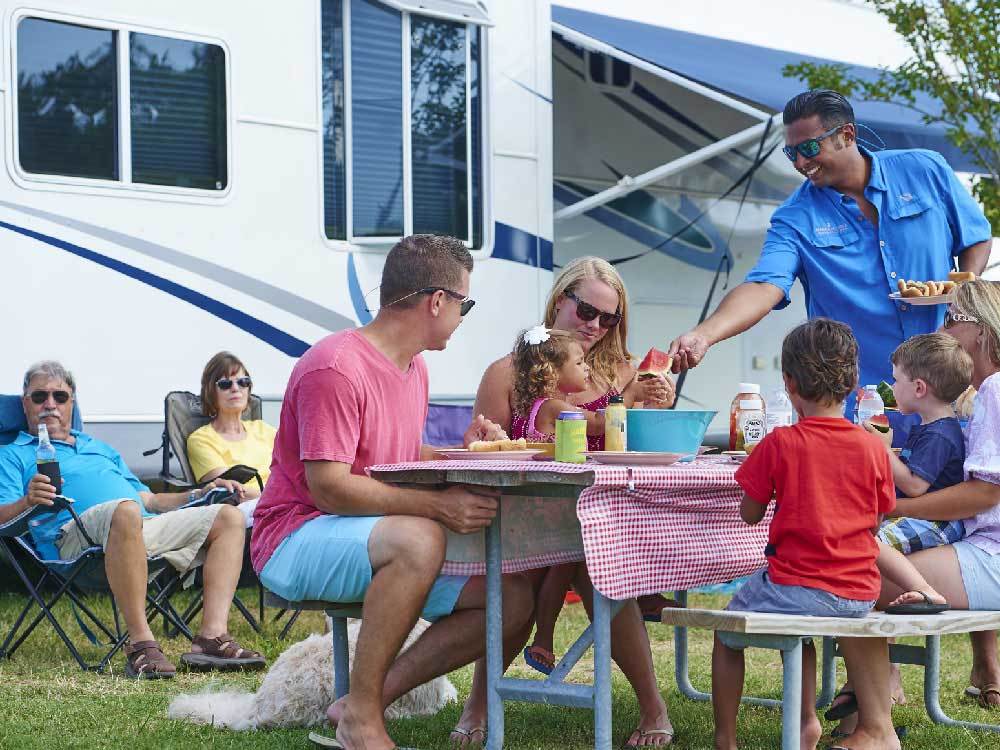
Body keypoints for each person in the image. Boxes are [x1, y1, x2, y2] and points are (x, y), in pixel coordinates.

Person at [250, 234, 534, 750]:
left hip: (362, 531)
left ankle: (364, 702)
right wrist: (438, 506)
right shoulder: (335, 366)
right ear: (437, 302)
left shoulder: (414, 366)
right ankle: (361, 721)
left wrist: (460, 452)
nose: (464, 316)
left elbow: (392, 457)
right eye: (464, 303)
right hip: (292, 535)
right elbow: (330, 486)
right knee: (420, 539)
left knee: (511, 598)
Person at [668, 89, 993, 411]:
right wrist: (704, 335)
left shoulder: (924, 170)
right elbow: (765, 286)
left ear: (846, 135)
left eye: (809, 148)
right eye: (790, 153)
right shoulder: (795, 217)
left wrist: (962, 295)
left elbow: (976, 237)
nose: (800, 162)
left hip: (950, 397)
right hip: (862, 407)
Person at [467, 257, 675, 748]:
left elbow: (646, 446)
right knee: (567, 569)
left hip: (610, 520)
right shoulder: (508, 373)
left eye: (610, 319)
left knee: (598, 564)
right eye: (587, 310)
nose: (596, 327)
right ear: (560, 299)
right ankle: (480, 700)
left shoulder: (625, 372)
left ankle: (652, 708)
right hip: (523, 520)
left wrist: (657, 404)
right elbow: (483, 453)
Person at [717, 318, 939, 750]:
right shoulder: (874, 446)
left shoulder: (778, 444)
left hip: (796, 584)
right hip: (858, 590)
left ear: (788, 383)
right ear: (854, 382)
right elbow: (876, 521)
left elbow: (749, 515)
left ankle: (726, 738)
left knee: (727, 634)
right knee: (801, 630)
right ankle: (803, 725)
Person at [0, 361, 264, 678]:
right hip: (73, 539)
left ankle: (211, 638)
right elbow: (3, 517)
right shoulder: (12, 454)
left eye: (60, 396)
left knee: (229, 517)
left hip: (139, 526)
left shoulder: (99, 448)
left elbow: (148, 500)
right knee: (124, 511)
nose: (50, 404)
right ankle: (140, 644)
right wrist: (28, 501)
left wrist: (199, 492)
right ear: (25, 402)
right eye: (39, 396)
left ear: (72, 402)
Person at [832, 280, 1000, 734]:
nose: (944, 330)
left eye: (952, 319)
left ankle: (872, 721)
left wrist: (900, 507)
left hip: (992, 553)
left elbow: (987, 493)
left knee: (851, 578)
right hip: (982, 546)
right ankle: (868, 704)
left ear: (982, 331)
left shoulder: (996, 390)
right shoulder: (977, 399)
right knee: (857, 574)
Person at [508, 325, 603, 676]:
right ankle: (544, 639)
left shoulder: (532, 407)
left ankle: (543, 639)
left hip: (533, 507)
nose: (587, 368)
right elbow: (596, 424)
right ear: (553, 371)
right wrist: (629, 396)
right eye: (579, 362)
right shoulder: (557, 406)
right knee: (564, 565)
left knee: (560, 569)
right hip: (553, 509)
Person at [870, 333, 973, 555]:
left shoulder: (939, 434)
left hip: (935, 524)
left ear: (919, 388)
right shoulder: (932, 427)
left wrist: (883, 449)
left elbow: (914, 486)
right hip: (921, 519)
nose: (892, 387)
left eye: (896, 380)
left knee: (867, 542)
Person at [188, 351, 277, 522]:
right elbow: (229, 493)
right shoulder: (201, 439)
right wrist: (282, 494)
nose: (236, 388)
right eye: (225, 384)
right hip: (240, 513)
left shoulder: (264, 429)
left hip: (281, 503)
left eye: (243, 382)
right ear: (210, 392)